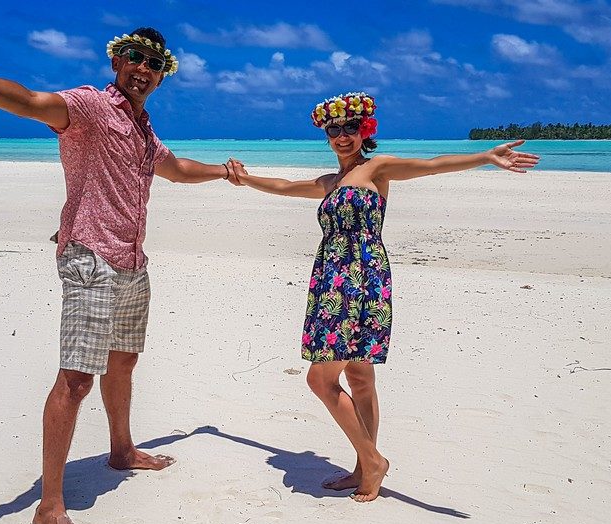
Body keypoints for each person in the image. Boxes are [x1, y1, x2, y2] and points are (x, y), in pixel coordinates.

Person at [0, 22, 238, 524]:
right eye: (135, 57)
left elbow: (176, 167)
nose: (144, 68)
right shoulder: (90, 107)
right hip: (91, 257)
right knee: (76, 379)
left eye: (154, 63)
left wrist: (224, 172)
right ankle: (49, 504)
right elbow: (30, 102)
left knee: (124, 361)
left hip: (132, 260)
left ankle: (121, 449)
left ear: (162, 76)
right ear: (117, 62)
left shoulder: (143, 128)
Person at [227, 92, 539, 502]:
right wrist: (243, 178)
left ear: (364, 130)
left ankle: (371, 461)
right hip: (330, 280)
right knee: (357, 376)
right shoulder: (330, 182)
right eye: (334, 129)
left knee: (322, 379)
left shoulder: (378, 168)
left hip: (363, 279)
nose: (342, 136)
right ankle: (362, 466)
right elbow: (285, 185)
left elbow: (431, 166)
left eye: (350, 128)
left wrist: (485, 156)